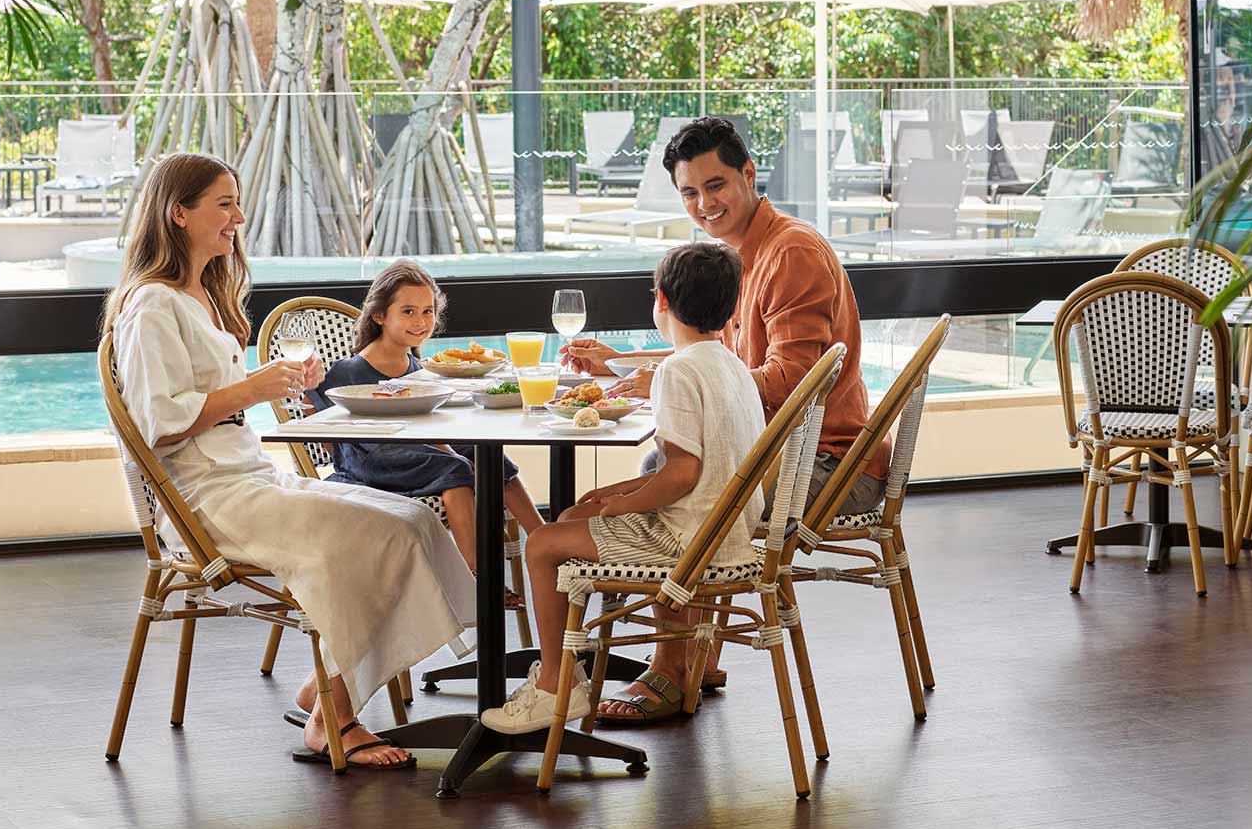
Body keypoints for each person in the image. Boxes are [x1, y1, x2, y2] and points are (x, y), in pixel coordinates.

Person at [104, 153, 476, 770]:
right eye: (224, 204)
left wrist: (268, 384)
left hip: (248, 476)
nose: (238, 217)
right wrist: (256, 387)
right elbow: (159, 425)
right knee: (362, 535)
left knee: (411, 521)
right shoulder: (152, 305)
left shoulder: (196, 296)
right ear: (179, 213)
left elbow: (205, 401)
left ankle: (327, 689)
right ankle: (335, 720)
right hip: (207, 499)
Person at [561, 116, 887, 715]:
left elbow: (793, 383)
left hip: (831, 465)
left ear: (748, 175)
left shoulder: (791, 254)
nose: (704, 204)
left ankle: (668, 668)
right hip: (786, 455)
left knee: (674, 478)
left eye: (715, 186)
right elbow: (719, 360)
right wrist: (621, 363)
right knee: (680, 464)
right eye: (690, 193)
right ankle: (692, 656)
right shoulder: (740, 254)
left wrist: (663, 381)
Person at [480, 242, 765, 733]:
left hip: (688, 541)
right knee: (572, 516)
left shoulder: (677, 371)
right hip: (726, 531)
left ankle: (556, 685)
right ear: (732, 306)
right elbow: (699, 465)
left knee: (545, 543)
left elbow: (681, 474)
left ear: (660, 300)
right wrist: (616, 494)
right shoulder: (731, 364)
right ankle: (575, 659)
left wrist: (621, 505)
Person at [304, 259, 545, 606]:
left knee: (488, 455)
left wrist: (452, 445)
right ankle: (476, 575)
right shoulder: (348, 370)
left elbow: (430, 425)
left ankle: (541, 537)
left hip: (418, 455)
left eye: (427, 311)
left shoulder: (420, 369)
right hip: (372, 461)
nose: (420, 322)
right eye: (408, 311)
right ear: (379, 316)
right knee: (457, 468)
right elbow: (324, 425)